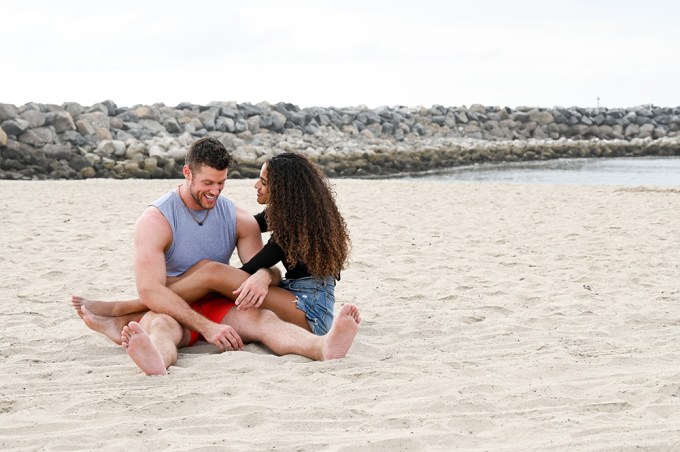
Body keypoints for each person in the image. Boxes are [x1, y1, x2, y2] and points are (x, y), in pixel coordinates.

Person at [73, 137, 361, 375]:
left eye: (221, 183)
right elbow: (152, 289)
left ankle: (120, 310)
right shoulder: (156, 220)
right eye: (208, 183)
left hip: (272, 304)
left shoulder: (261, 223)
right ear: (187, 173)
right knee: (162, 323)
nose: (216, 191)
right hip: (179, 308)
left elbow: (257, 269)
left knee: (253, 311)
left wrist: (264, 275)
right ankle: (154, 358)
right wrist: (256, 277)